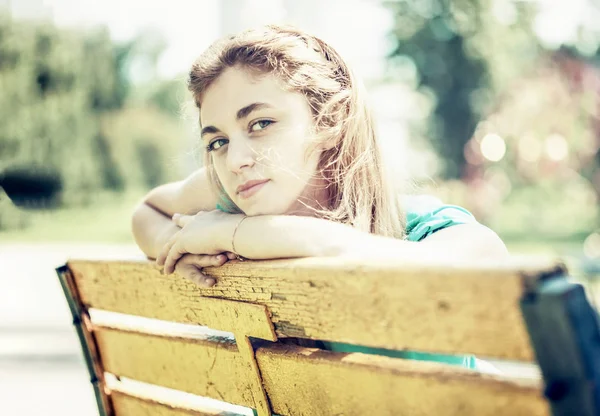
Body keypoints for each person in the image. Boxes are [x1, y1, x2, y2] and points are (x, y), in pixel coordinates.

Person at [131, 24, 507, 372]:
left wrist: (233, 234)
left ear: (331, 118)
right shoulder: (242, 190)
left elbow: (490, 274)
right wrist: (177, 244)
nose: (235, 159)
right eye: (217, 142)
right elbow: (147, 212)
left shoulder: (431, 231)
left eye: (260, 124)